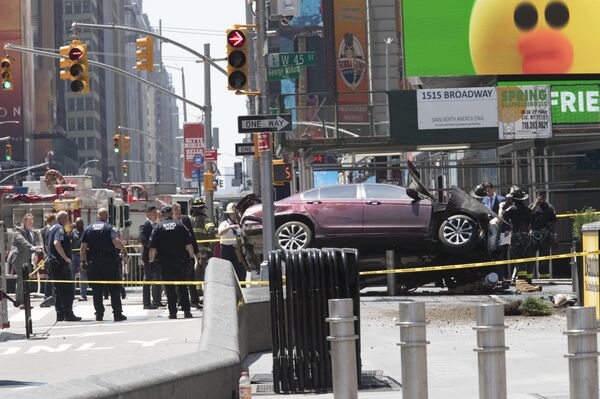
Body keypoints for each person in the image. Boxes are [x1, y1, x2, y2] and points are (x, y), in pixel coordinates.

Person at [80, 208, 128, 322]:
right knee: (114, 288)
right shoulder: (110, 228)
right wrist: (124, 250)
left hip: (94, 263)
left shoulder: (88, 228)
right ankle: (117, 314)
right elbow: (115, 241)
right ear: (107, 217)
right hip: (109, 262)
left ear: (97, 216)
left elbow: (83, 247)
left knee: (97, 290)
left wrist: (83, 261)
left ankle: (99, 314)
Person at [149, 206, 196, 319]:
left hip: (165, 262)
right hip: (180, 261)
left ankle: (172, 312)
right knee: (182, 287)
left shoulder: (158, 228)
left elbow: (152, 248)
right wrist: (191, 257)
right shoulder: (180, 226)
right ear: (171, 214)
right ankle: (186, 311)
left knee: (169, 288)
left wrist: (151, 261)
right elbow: (189, 244)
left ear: (163, 215)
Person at [45, 211, 81, 322]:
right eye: (67, 218)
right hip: (60, 264)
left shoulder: (50, 229)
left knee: (58, 290)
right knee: (68, 289)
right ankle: (68, 314)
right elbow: (56, 243)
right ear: (64, 218)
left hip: (53, 263)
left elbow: (47, 246)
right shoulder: (59, 229)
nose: (68, 221)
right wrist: (65, 258)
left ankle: (60, 314)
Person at [503, 186, 539, 292]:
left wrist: (503, 206)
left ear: (513, 199)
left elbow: (503, 219)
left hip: (516, 238)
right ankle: (529, 281)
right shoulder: (528, 210)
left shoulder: (511, 210)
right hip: (527, 237)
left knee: (519, 259)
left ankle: (522, 281)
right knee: (528, 259)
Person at [172, 203, 203, 309]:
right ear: (173, 212)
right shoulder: (170, 222)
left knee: (191, 277)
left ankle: (194, 300)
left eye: (179, 211)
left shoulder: (185, 219)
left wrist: (197, 252)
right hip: (176, 254)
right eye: (176, 211)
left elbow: (192, 237)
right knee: (179, 280)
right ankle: (180, 302)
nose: (178, 213)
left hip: (188, 253)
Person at [9, 214, 42, 308]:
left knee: (25, 280)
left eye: (32, 221)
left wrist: (35, 254)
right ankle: (21, 302)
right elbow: (22, 241)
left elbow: (36, 244)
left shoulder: (32, 232)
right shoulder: (18, 230)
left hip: (27, 259)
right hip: (18, 258)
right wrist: (32, 247)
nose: (31, 223)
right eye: (29, 221)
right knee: (21, 279)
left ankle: (23, 300)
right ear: (24, 221)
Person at [190, 199, 216, 305]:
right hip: (204, 252)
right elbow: (211, 231)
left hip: (193, 251)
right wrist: (210, 249)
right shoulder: (206, 220)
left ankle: (198, 294)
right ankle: (204, 295)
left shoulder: (191, 220)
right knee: (206, 273)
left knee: (197, 273)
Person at [530, 191, 557, 279]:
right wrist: (535, 205)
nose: (541, 198)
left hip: (545, 234)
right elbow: (527, 216)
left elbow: (553, 220)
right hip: (533, 234)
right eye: (539, 196)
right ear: (536, 196)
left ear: (545, 197)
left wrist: (552, 233)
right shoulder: (532, 206)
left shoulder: (549, 207)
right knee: (530, 256)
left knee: (544, 257)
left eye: (543, 196)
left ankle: (544, 276)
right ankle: (529, 276)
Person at [139, 205, 162, 309]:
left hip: (156, 256)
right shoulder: (145, 225)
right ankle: (146, 303)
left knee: (156, 277)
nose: (155, 214)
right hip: (148, 256)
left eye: (155, 212)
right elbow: (143, 240)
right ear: (148, 213)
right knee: (148, 278)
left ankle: (156, 300)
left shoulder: (156, 224)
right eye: (153, 212)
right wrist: (153, 247)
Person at [218, 203, 246, 282]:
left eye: (235, 214)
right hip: (227, 249)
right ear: (228, 215)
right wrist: (230, 227)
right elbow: (220, 233)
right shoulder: (224, 224)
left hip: (238, 249)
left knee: (241, 268)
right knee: (228, 269)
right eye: (232, 214)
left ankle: (242, 284)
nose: (234, 215)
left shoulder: (240, 224)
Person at [40, 213, 57, 307]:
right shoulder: (50, 230)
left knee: (49, 276)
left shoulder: (44, 230)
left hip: (47, 255)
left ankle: (47, 296)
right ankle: (49, 297)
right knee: (51, 277)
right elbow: (48, 244)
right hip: (51, 255)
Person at [70, 218, 88, 301]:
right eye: (77, 223)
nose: (79, 225)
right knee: (71, 275)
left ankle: (83, 295)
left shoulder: (86, 232)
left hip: (82, 256)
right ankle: (71, 294)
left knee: (83, 276)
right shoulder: (73, 232)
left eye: (80, 223)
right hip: (74, 256)